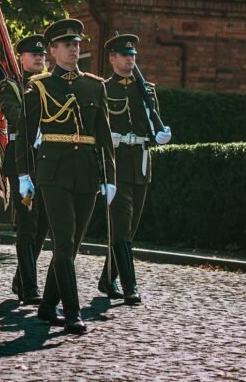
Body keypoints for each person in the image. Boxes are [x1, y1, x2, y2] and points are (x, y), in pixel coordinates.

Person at [16, 19, 116, 334]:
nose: (74, 49)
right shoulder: (41, 85)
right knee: (62, 241)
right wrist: (23, 175)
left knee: (72, 246)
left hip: (86, 171)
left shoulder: (94, 85)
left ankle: (47, 305)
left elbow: (104, 134)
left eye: (76, 44)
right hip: (53, 172)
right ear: (54, 50)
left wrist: (109, 175)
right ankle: (72, 312)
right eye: (67, 45)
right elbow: (24, 134)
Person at [100, 34, 171, 305]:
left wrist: (159, 135)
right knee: (120, 227)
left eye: (133, 55)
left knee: (130, 229)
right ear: (112, 58)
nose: (130, 59)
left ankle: (107, 279)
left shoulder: (147, 90)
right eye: (124, 55)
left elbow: (152, 125)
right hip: (116, 163)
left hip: (140, 164)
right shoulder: (104, 89)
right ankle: (129, 285)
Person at [0, 34, 50, 304]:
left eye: (41, 54)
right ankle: (30, 288)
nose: (39, 58)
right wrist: (41, 124)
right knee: (28, 225)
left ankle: (21, 278)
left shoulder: (51, 84)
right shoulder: (11, 86)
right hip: (22, 162)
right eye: (32, 54)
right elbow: (15, 116)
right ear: (21, 57)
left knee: (43, 226)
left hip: (49, 161)